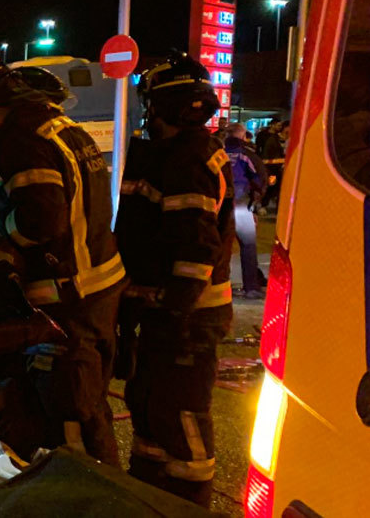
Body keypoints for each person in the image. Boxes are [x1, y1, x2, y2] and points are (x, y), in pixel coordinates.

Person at [0, 57, 126, 466]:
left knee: (71, 425)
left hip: (66, 301)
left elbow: (40, 220)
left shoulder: (20, 138)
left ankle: (86, 495)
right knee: (88, 410)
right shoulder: (60, 127)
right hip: (97, 293)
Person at [115, 54, 234, 507]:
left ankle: (188, 501)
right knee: (151, 405)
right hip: (167, 312)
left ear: (160, 105)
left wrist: (173, 306)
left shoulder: (187, 161)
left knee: (181, 413)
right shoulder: (178, 155)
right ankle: (149, 493)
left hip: (186, 318)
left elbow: (195, 249)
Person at [224, 123, 267, 298]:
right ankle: (251, 287)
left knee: (220, 247)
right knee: (247, 245)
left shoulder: (217, 153)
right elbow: (260, 179)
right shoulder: (247, 155)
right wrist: (255, 205)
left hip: (219, 207)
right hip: (242, 205)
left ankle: (219, 285)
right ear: (243, 136)